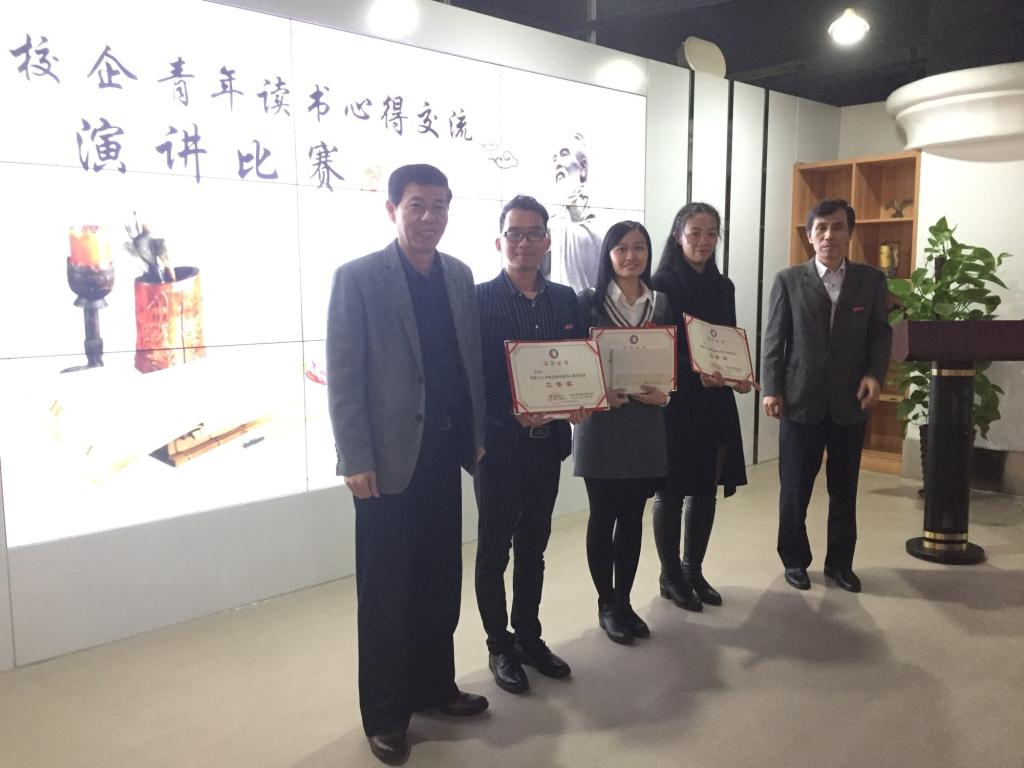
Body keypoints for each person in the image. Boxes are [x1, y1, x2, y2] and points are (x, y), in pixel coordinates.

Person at [327, 164, 488, 766]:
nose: (429, 217)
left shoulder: (459, 275)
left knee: (438, 581)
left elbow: (467, 362)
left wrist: (474, 435)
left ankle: (434, 686)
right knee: (386, 593)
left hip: (444, 456)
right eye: (417, 205)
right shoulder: (358, 278)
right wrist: (355, 457)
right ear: (392, 209)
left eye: (439, 205)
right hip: (387, 463)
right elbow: (344, 376)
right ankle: (386, 715)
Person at [475, 194, 587, 695]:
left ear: (547, 241)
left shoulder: (565, 299)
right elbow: (471, 379)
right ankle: (499, 646)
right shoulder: (478, 300)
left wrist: (583, 399)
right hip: (499, 448)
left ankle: (529, 637)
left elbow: (578, 363)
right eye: (514, 233)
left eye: (534, 233)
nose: (524, 242)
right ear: (499, 241)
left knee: (534, 548)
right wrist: (507, 413)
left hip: (547, 447)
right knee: (494, 551)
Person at [762, 197, 891, 593]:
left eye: (837, 227)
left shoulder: (870, 281)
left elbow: (880, 334)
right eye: (821, 228)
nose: (829, 235)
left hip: (850, 400)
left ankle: (840, 564)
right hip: (800, 399)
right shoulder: (788, 280)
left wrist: (874, 375)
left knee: (844, 489)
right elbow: (775, 338)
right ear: (809, 234)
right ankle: (794, 560)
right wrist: (772, 388)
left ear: (849, 233)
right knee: (794, 488)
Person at [651, 202, 752, 612]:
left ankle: (693, 570)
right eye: (695, 232)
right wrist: (696, 372)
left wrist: (739, 374)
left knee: (705, 491)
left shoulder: (723, 286)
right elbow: (659, 346)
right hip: (678, 401)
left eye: (712, 234)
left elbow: (728, 339)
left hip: (715, 401)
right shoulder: (661, 283)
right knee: (671, 492)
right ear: (678, 235)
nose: (704, 241)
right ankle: (670, 575)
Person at [574, 221, 671, 644]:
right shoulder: (588, 303)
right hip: (601, 426)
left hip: (645, 425)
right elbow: (576, 364)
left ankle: (626, 601)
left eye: (639, 247)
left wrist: (665, 395)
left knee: (632, 518)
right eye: (621, 248)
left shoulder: (661, 303)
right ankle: (606, 605)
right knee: (603, 516)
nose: (631, 256)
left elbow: (671, 364)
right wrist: (597, 393)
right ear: (608, 254)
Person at [545, 133, 606, 292]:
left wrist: (560, 225)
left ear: (583, 167)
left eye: (564, 154)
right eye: (554, 159)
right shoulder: (550, 210)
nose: (558, 163)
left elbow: (601, 241)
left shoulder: (591, 200)